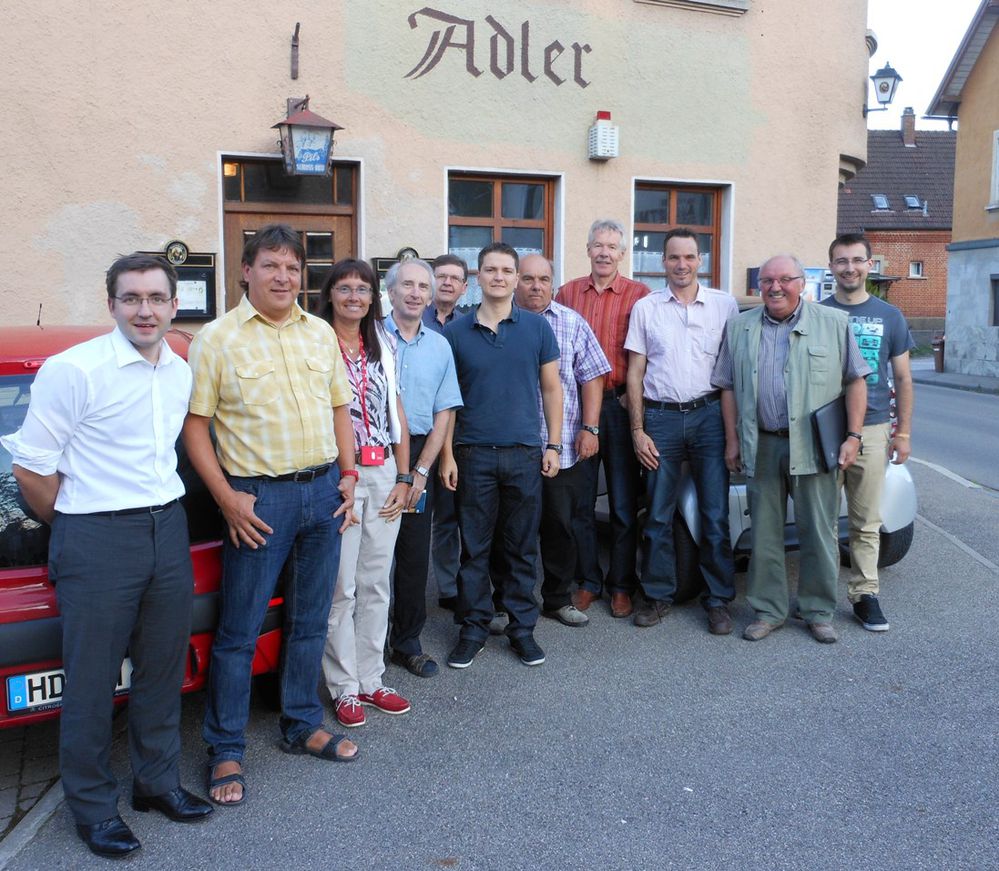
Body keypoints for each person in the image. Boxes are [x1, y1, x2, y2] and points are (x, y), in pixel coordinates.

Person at [1, 254, 212, 858]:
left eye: (155, 298)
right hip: (95, 537)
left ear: (174, 304)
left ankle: (156, 783)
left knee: (161, 669)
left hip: (166, 530)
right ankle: (93, 808)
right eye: (130, 298)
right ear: (111, 305)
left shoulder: (177, 370)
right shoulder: (75, 371)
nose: (144, 310)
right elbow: (30, 468)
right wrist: (76, 522)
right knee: (91, 683)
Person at [183, 225, 359, 808]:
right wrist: (227, 499)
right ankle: (226, 747)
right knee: (239, 631)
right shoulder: (217, 339)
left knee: (310, 619)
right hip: (260, 501)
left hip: (323, 492)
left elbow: (340, 405)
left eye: (293, 267)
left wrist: (350, 475)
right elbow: (196, 426)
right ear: (246, 271)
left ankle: (301, 722)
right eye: (271, 266)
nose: (284, 277)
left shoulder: (320, 334)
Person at [712, 254, 870, 644]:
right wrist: (732, 440)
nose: (775, 287)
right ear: (758, 286)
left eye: (784, 279)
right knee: (764, 532)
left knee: (818, 530)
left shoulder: (833, 324)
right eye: (767, 280)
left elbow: (855, 381)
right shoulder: (739, 326)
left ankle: (818, 611)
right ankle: (769, 611)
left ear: (802, 283)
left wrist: (853, 436)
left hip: (815, 446)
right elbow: (727, 386)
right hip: (761, 443)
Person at [440, 243, 563, 668]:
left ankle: (522, 629)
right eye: (490, 269)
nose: (499, 277)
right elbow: (448, 400)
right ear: (478, 276)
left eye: (506, 270)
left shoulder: (536, 329)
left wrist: (554, 444)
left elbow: (552, 389)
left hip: (524, 453)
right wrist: (447, 457)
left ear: (515, 277)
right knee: (474, 548)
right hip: (472, 454)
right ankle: (473, 628)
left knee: (521, 548)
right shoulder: (455, 332)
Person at [625, 229, 739, 634]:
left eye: (689, 257)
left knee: (715, 514)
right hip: (661, 419)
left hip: (709, 415)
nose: (682, 264)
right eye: (674, 257)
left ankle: (718, 599)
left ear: (700, 261)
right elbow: (635, 373)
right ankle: (658, 596)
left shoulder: (725, 306)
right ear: (663, 262)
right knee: (657, 513)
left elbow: (732, 375)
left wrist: (732, 433)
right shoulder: (646, 308)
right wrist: (637, 430)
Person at [316, 258, 413, 727]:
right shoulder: (315, 342)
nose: (354, 296)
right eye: (345, 288)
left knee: (376, 582)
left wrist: (405, 475)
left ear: (374, 297)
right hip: (341, 476)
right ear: (330, 294)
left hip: (383, 470)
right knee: (341, 586)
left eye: (363, 289)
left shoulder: (383, 345)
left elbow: (397, 409)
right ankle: (344, 686)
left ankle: (372, 680)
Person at [557, 218, 651, 618]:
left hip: (620, 404)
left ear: (622, 253)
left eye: (612, 247)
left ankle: (621, 585)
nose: (604, 253)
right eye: (598, 245)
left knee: (623, 502)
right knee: (578, 501)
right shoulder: (567, 293)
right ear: (588, 249)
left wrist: (637, 406)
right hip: (576, 407)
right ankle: (588, 580)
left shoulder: (640, 296)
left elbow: (647, 357)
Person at [822, 233, 915, 631]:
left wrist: (903, 433)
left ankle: (864, 594)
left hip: (875, 428)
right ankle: (819, 598)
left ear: (869, 265)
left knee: (865, 521)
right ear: (831, 267)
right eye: (841, 261)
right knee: (822, 520)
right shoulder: (817, 313)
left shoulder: (889, 316)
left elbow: (904, 378)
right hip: (825, 430)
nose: (849, 268)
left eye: (857, 260)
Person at [513, 254, 610, 627]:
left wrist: (591, 427)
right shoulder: (502, 324)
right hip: (513, 448)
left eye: (543, 279)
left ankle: (556, 598)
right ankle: (508, 602)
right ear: (516, 282)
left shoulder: (572, 324)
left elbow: (593, 377)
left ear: (553, 284)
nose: (536, 286)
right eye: (528, 279)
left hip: (563, 446)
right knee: (512, 531)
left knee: (560, 526)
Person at [383, 259, 463, 677]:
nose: (415, 293)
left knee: (413, 556)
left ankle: (406, 642)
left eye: (422, 287)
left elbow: (444, 413)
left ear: (431, 297)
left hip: (419, 457)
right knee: (371, 560)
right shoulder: (371, 337)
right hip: (374, 457)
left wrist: (421, 472)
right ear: (391, 291)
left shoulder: (440, 346)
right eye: (406, 285)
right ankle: (366, 643)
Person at [424, 254, 470, 612]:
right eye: (442, 276)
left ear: (465, 287)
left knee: (451, 515)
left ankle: (451, 586)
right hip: (417, 434)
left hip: (456, 433)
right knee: (417, 515)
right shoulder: (411, 321)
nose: (448, 283)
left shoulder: (470, 324)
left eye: (456, 278)